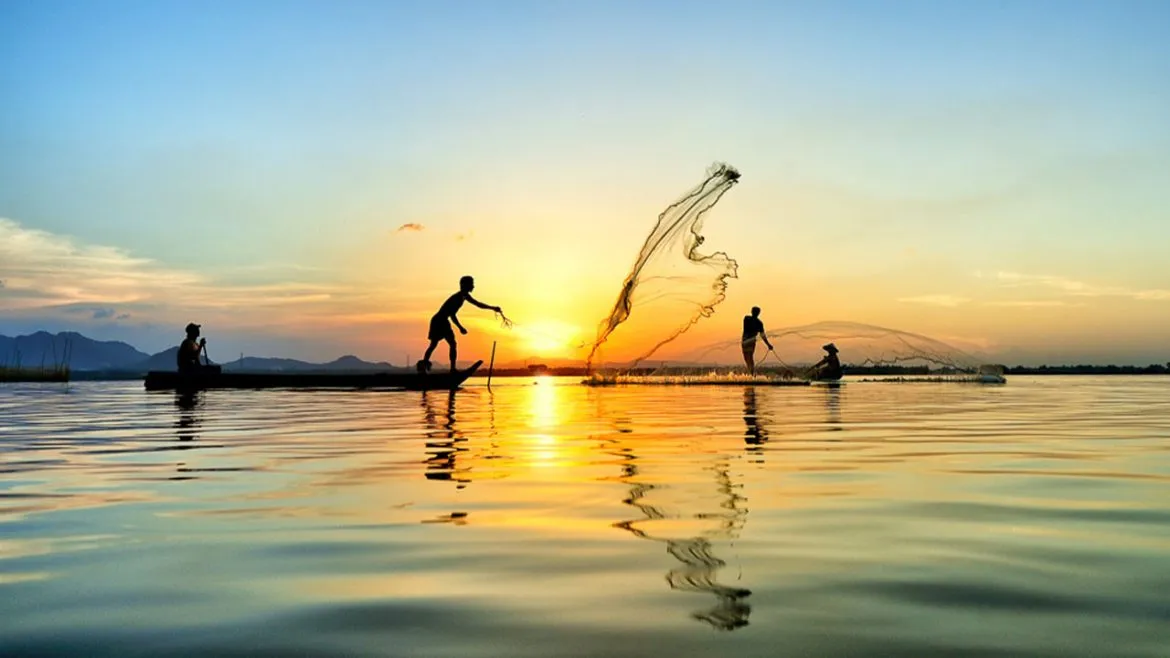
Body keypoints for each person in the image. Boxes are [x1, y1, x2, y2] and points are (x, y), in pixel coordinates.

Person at [419, 276, 503, 374]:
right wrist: (460, 327)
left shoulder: (465, 296)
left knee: (452, 344)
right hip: (438, 321)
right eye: (471, 284)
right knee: (434, 345)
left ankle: (452, 369)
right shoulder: (457, 297)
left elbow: (478, 304)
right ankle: (424, 367)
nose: (473, 286)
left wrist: (492, 308)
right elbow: (452, 314)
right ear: (465, 285)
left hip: (444, 321)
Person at [741, 306, 773, 375]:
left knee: (748, 358)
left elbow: (762, 335)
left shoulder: (748, 319)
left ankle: (751, 374)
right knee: (748, 358)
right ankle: (751, 373)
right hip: (747, 341)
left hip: (746, 341)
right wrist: (768, 345)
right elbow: (762, 335)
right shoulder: (755, 321)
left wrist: (768, 345)